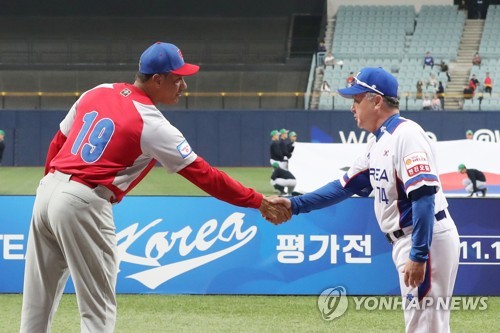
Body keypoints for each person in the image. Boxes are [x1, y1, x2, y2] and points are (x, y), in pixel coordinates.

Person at [19, 42, 289, 333]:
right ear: (157, 79)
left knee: (37, 301)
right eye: (177, 79)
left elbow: (58, 141)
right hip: (84, 200)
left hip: (48, 190)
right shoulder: (153, 123)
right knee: (97, 310)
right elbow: (205, 175)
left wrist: (48, 184)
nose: (183, 85)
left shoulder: (97, 91)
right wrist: (258, 200)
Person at [266, 67, 460, 333]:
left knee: (425, 327)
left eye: (357, 100)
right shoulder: (379, 142)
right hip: (412, 238)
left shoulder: (406, 135)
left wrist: (418, 253)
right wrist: (296, 204)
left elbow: (424, 197)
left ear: (376, 101)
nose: (352, 107)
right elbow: (344, 186)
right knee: (426, 325)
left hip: (423, 237)